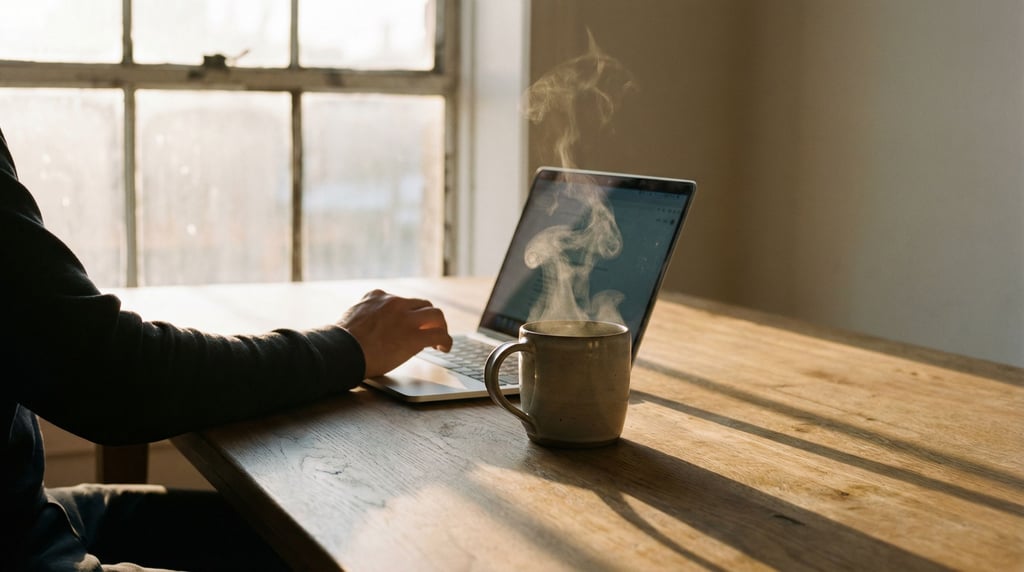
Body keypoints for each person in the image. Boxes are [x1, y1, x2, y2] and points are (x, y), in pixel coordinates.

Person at [0, 126, 453, 571]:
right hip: (22, 549)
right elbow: (111, 378)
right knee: (385, 551)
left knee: (313, 538)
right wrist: (345, 348)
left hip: (27, 516)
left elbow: (65, 351)